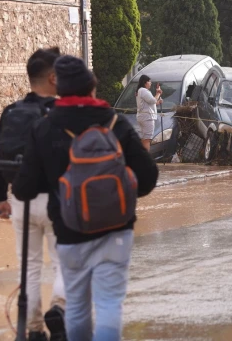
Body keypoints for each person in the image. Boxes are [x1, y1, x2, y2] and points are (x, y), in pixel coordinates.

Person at [12, 56, 159, 341]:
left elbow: (24, 189)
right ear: (92, 88)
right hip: (117, 231)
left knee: (77, 307)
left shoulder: (44, 128)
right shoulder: (115, 123)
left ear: (61, 91)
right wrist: (124, 195)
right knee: (108, 304)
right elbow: (149, 176)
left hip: (69, 231)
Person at [0, 47, 66, 341]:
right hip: (57, 202)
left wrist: (0, 197)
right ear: (52, 77)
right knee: (64, 263)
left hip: (21, 201)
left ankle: (34, 331)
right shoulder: (60, 114)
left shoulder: (11, 112)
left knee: (29, 268)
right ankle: (59, 312)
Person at [135, 74, 163, 151]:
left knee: (144, 139)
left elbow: (149, 103)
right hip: (147, 118)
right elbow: (153, 100)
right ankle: (146, 159)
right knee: (147, 139)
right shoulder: (143, 90)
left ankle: (142, 158)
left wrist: (158, 102)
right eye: (149, 81)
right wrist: (158, 93)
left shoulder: (140, 91)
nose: (150, 83)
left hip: (143, 116)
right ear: (145, 82)